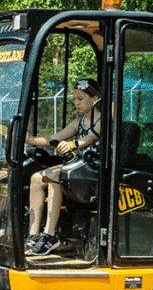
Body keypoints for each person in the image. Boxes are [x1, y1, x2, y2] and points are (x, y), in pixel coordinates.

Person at [24, 78, 102, 256]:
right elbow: (53, 138)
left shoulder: (102, 120)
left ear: (94, 98)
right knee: (36, 178)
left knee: (54, 177)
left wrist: (73, 144)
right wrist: (26, 139)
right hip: (78, 167)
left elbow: (90, 138)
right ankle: (33, 235)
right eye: (74, 99)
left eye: (80, 99)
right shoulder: (79, 121)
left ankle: (50, 235)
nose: (76, 103)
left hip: (94, 168)